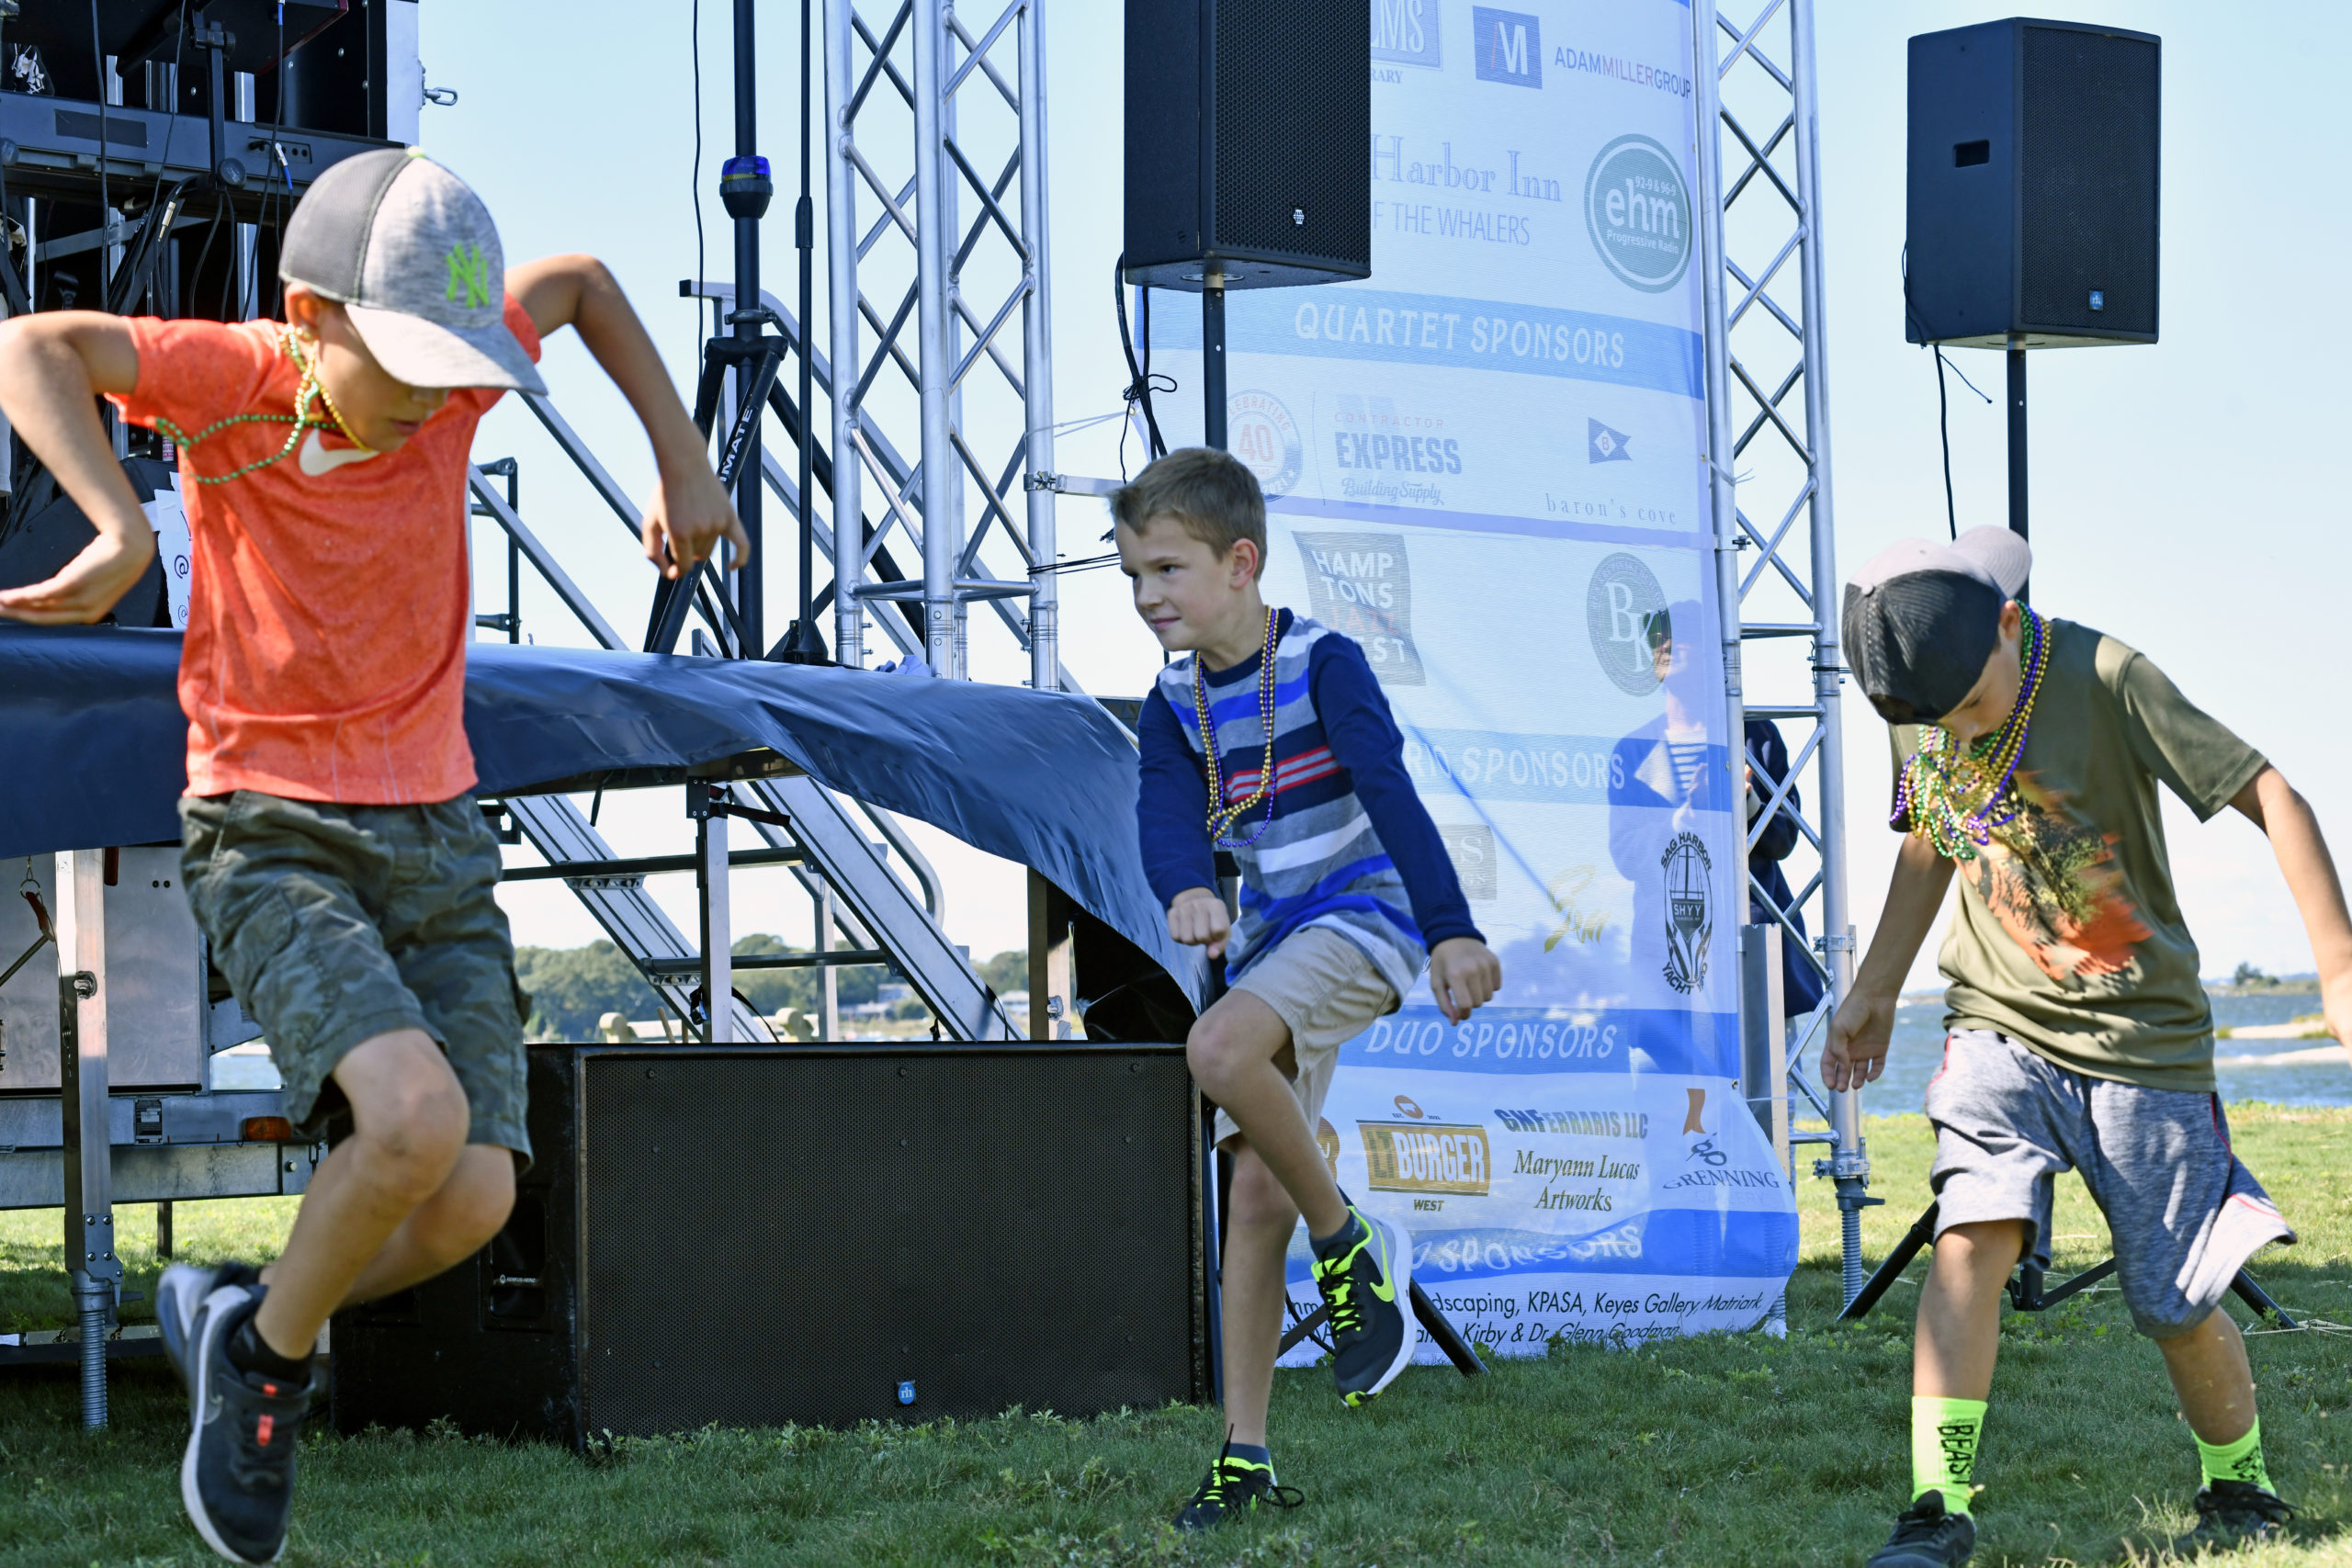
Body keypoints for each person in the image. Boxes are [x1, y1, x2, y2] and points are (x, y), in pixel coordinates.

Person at [0, 149, 743, 1564]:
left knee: (474, 1192)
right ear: (310, 313)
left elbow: (579, 283)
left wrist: (683, 452)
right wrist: (111, 527)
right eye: (395, 360)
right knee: (406, 1123)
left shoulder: (454, 378)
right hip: (270, 819)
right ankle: (269, 1376)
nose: (424, 396)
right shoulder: (232, 377)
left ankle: (246, 1313)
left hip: (438, 825)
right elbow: (31, 343)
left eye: (446, 367)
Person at [1823, 527, 2352, 1565]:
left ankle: (2237, 1483)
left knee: (2175, 1303)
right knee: (1970, 1232)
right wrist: (1875, 987)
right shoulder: (1921, 695)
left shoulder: (2109, 675)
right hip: (1995, 1023)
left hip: (2138, 1041)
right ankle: (1937, 1506)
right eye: (1937, 722)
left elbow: (2270, 793)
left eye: (1973, 708)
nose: (1956, 730)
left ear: (2009, 629)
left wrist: (2334, 964)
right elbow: (1931, 839)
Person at [1114, 447, 1502, 1530]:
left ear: (1240, 563)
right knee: (1253, 1195)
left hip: (1364, 919)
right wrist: (1188, 885)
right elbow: (1162, 814)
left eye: (1168, 570)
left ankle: (1350, 1247)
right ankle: (1244, 1456)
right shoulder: (1172, 701)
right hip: (1277, 943)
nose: (1148, 597)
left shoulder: (1325, 663)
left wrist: (1449, 929)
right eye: (1133, 577)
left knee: (1219, 1052)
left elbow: (1389, 787)